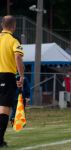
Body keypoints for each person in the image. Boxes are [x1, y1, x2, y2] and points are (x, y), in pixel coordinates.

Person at [0, 15, 24, 147]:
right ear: (14, 26)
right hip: (6, 76)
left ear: (2, 25)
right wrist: (21, 76)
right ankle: (0, 140)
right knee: (4, 110)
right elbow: (18, 57)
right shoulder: (14, 41)